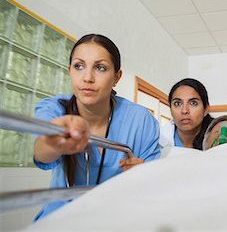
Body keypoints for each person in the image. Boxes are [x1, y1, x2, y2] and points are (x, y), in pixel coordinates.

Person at [33, 34, 160, 220]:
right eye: (79, 66)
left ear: (117, 77)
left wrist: (143, 177)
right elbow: (41, 153)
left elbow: (155, 183)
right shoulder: (55, 108)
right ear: (70, 71)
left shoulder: (141, 120)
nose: (87, 78)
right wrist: (54, 141)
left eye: (100, 68)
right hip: (59, 221)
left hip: (116, 221)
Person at [159, 78, 214, 150]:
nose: (184, 111)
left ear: (206, 109)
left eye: (193, 103)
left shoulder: (217, 140)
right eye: (177, 103)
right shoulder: (158, 142)